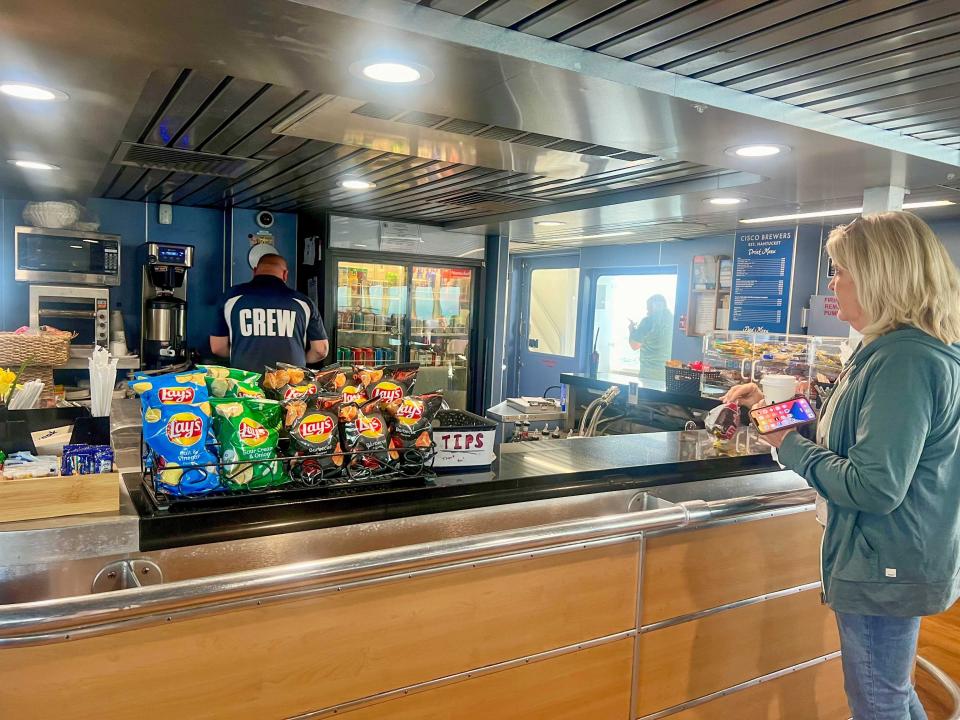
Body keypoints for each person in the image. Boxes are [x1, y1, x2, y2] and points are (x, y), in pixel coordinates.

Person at [723, 211, 960, 720]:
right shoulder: (890, 349)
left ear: (879, 275)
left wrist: (785, 443)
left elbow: (874, 485)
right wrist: (767, 406)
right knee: (890, 692)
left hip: (884, 562)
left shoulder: (905, 361)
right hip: (890, 556)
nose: (833, 283)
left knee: (878, 701)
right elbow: (843, 432)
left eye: (840, 270)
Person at [210, 254, 328, 372]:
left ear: (255, 271)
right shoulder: (303, 303)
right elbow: (320, 350)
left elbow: (217, 347)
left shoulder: (230, 298)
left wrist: (240, 354)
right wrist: (299, 362)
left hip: (246, 384)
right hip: (289, 384)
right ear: (285, 274)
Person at [628, 294, 673, 380]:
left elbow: (634, 345)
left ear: (653, 306)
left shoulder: (647, 322)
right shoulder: (672, 320)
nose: (647, 311)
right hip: (666, 373)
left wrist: (631, 330)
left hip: (648, 373)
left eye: (648, 307)